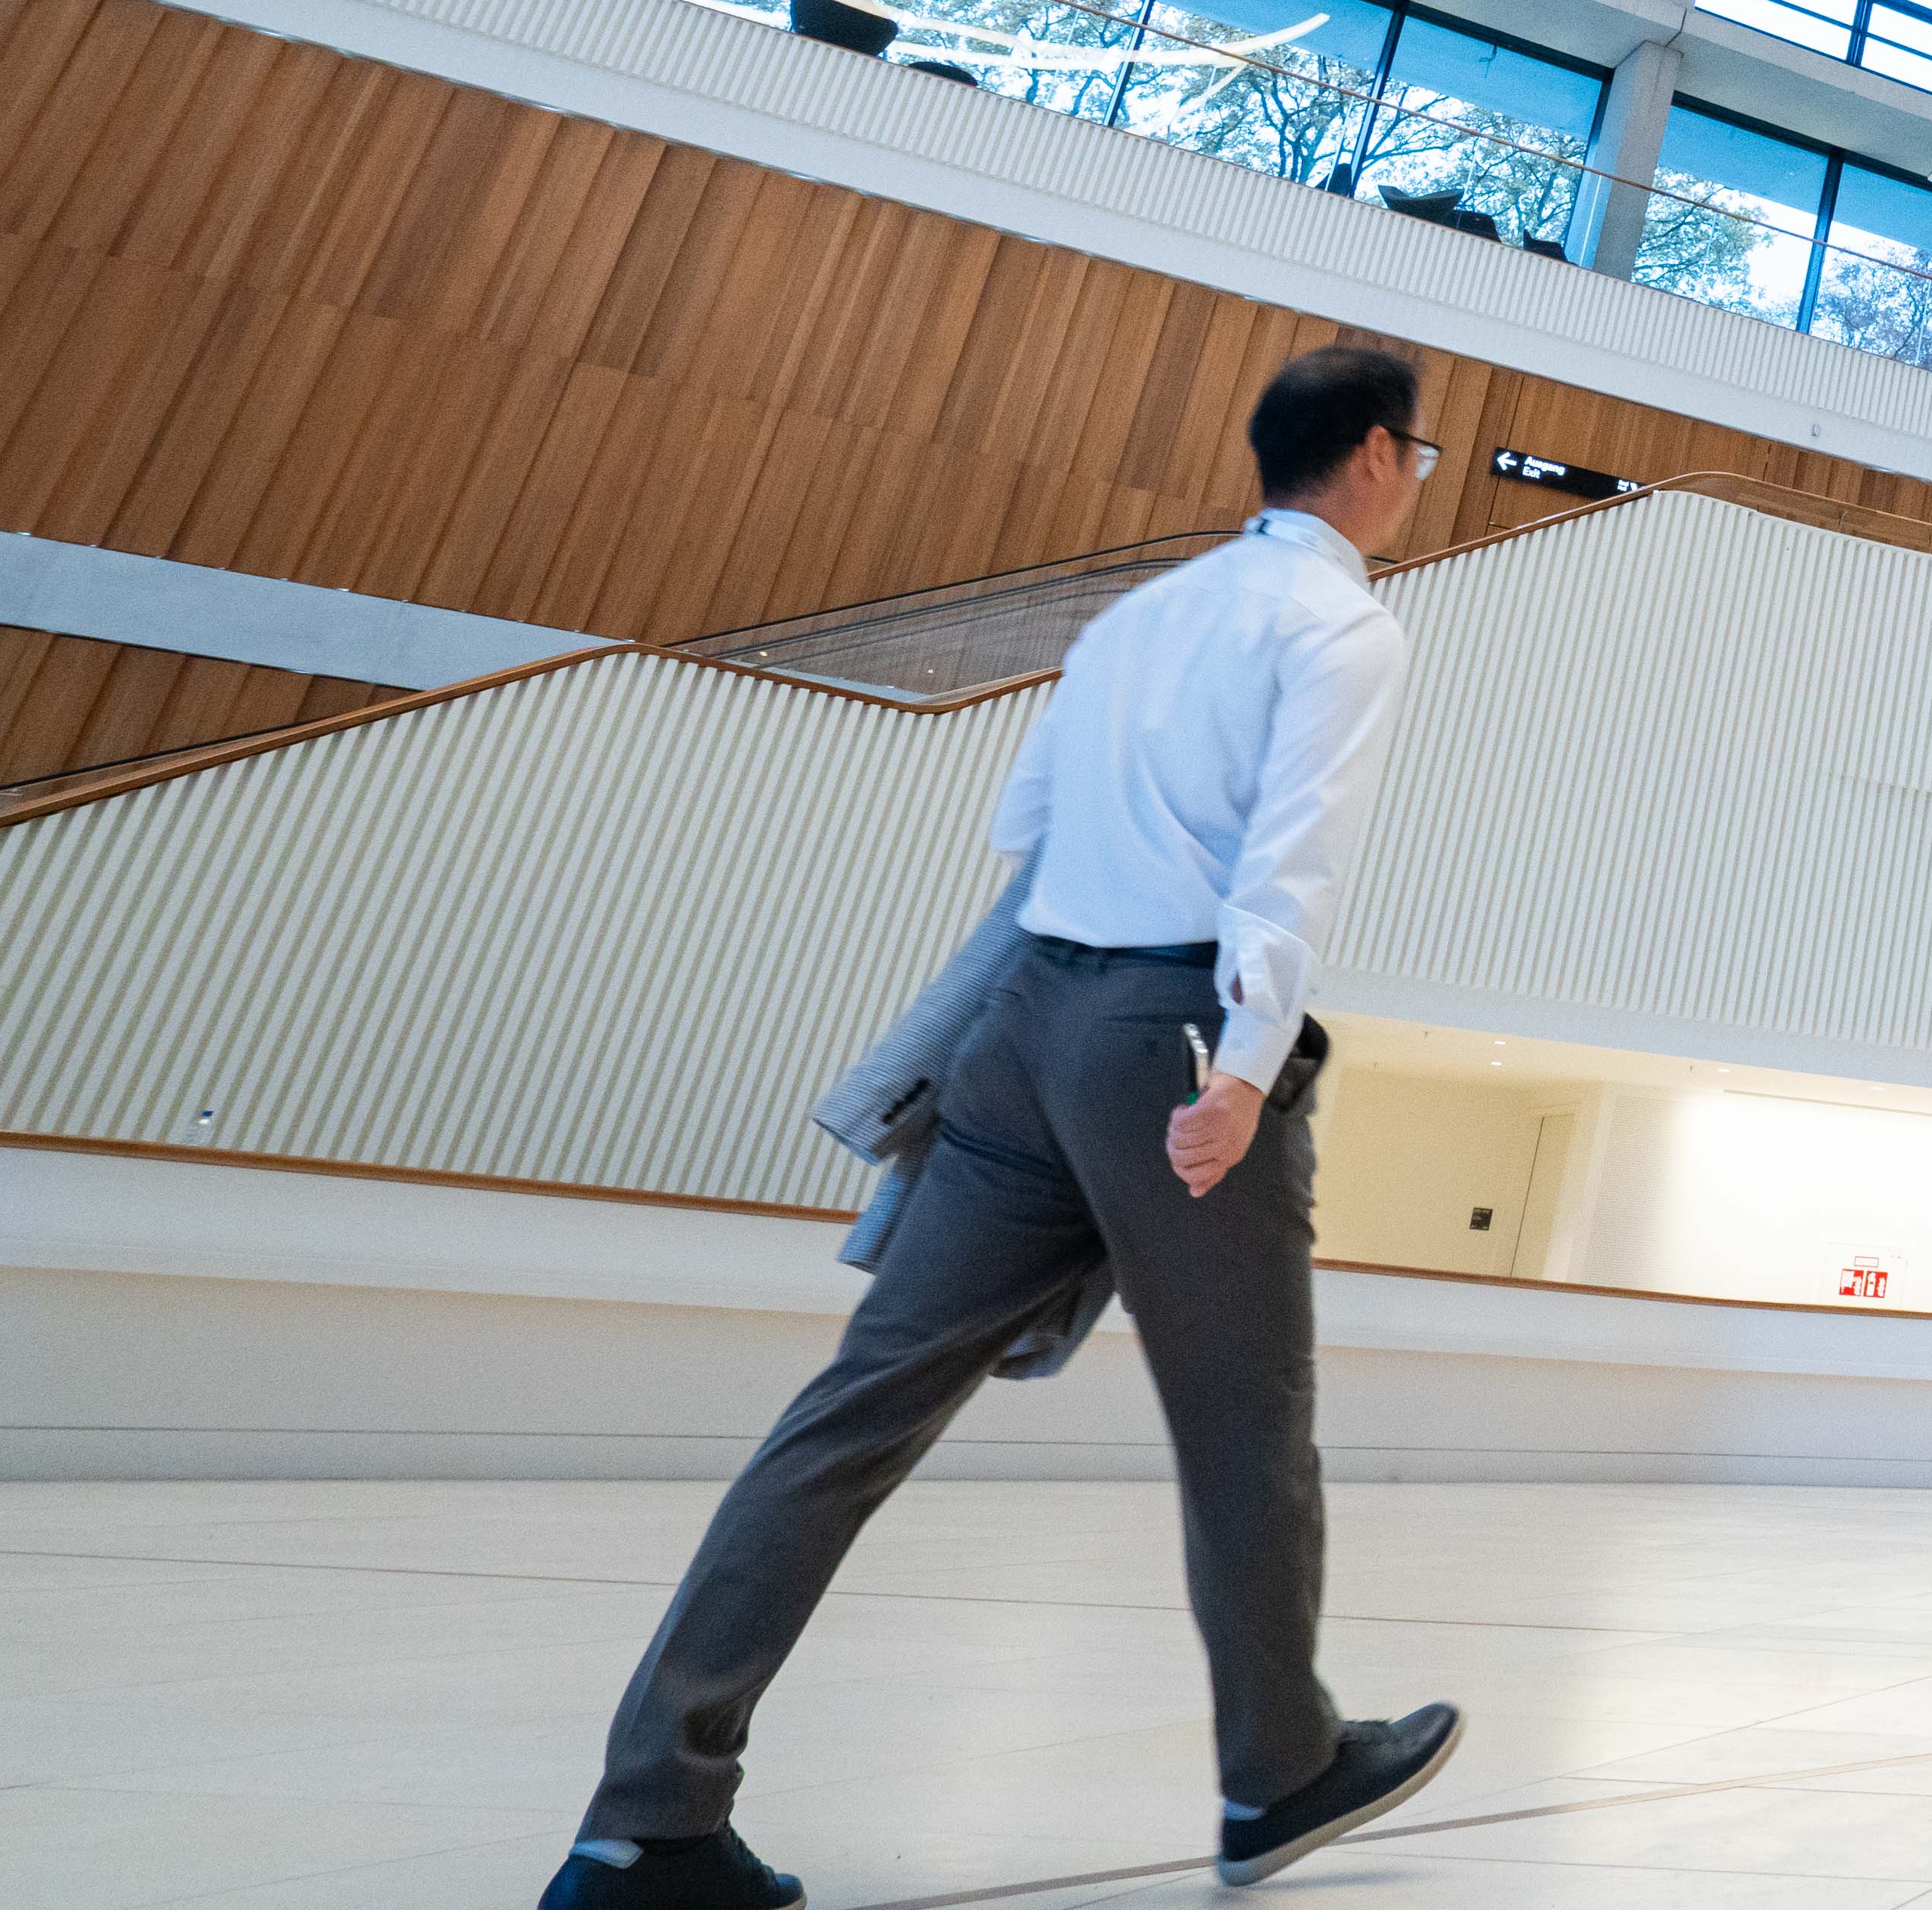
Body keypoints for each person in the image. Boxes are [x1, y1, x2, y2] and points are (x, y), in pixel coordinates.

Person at [546, 343, 1461, 1907]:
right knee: (1244, 1426)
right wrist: (1239, 1068)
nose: (1418, 482)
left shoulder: (1141, 615)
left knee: (854, 1414)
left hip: (1023, 1027)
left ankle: (648, 1816)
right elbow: (1290, 864)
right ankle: (1280, 1771)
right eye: (1422, 457)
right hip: (1167, 1036)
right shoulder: (1343, 629)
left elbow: (1021, 826)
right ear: (1374, 456)